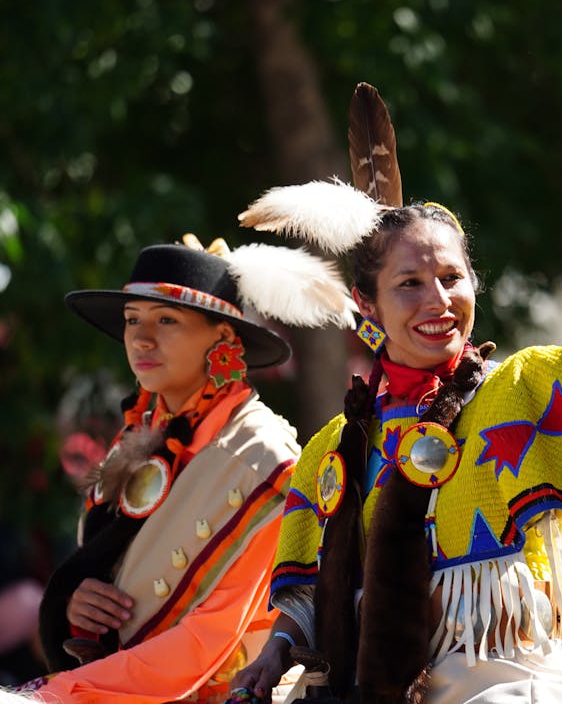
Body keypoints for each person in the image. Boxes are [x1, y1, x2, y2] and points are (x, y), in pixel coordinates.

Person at [227, 84, 562, 704]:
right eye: (409, 284)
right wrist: (273, 652)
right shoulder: (333, 449)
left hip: (499, 679)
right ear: (367, 304)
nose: (438, 302)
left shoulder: (518, 389)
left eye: (451, 278)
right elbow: (308, 593)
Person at [21, 235, 356, 703]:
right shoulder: (137, 437)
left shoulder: (264, 461)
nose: (140, 337)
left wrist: (58, 694)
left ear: (222, 339)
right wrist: (78, 603)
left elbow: (208, 643)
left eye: (166, 319)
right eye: (132, 319)